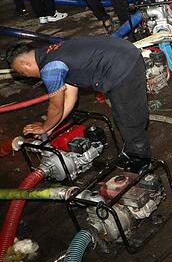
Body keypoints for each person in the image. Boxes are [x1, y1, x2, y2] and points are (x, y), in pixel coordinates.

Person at [6, 36, 152, 170]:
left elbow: (56, 107)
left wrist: (45, 126)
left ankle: (141, 161)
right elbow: (70, 98)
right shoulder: (50, 52)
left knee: (129, 118)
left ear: (25, 64)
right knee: (124, 113)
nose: (26, 76)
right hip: (123, 51)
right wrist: (51, 127)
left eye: (23, 73)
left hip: (122, 64)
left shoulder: (50, 69)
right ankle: (133, 151)